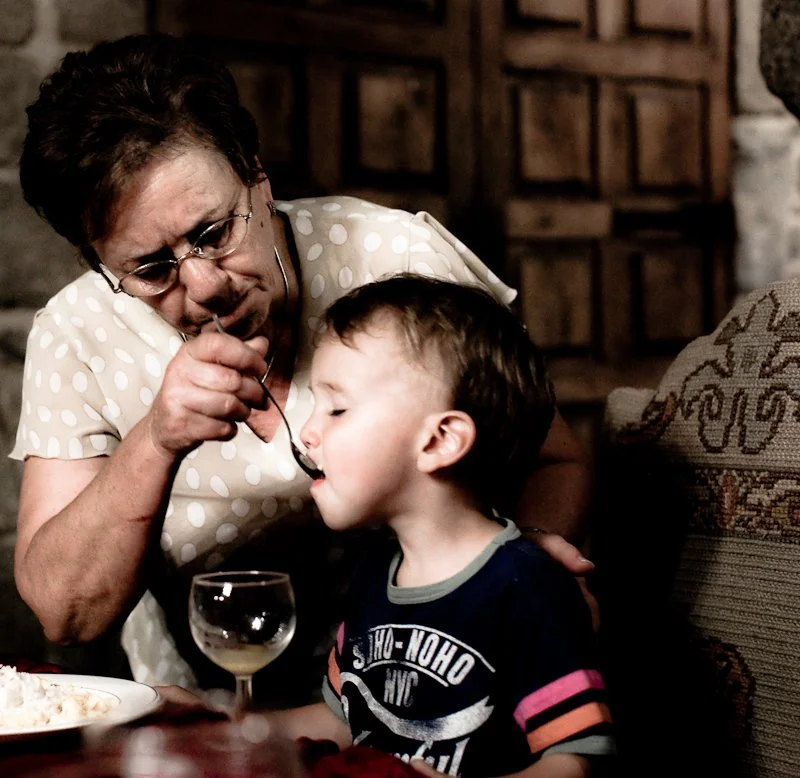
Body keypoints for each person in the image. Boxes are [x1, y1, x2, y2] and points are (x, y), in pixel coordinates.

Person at [11, 33, 593, 705]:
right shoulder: (77, 334)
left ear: (256, 176)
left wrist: (517, 579)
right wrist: (156, 440)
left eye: (213, 233)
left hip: (431, 676)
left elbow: (554, 461)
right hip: (206, 702)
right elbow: (67, 613)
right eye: (151, 268)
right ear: (101, 265)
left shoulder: (392, 257)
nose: (203, 286)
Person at [272, 274, 614, 778]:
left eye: (338, 408)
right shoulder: (373, 576)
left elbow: (575, 762)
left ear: (439, 442)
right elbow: (341, 719)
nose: (308, 432)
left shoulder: (528, 588)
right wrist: (215, 725)